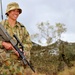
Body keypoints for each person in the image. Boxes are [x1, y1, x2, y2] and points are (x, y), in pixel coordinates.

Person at [0, 2, 32, 75]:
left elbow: (29, 43)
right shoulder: (1, 26)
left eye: (18, 11)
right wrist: (3, 43)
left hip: (18, 65)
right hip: (4, 64)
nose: (16, 13)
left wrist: (22, 49)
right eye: (14, 10)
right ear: (8, 12)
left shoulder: (22, 28)